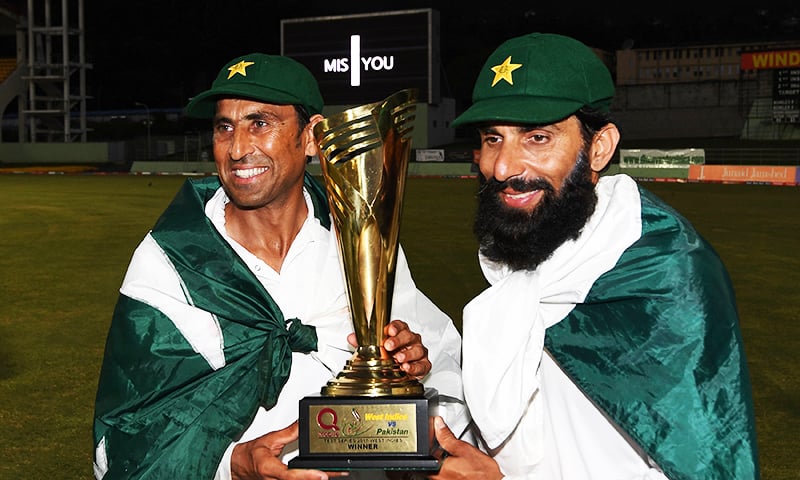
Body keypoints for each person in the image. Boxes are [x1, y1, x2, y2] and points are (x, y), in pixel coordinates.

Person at [92, 53, 469, 480]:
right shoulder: (170, 260)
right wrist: (230, 464)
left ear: (311, 138)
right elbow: (124, 432)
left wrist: (416, 368)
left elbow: (446, 373)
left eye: (260, 123)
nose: (237, 149)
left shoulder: (362, 241)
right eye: (224, 127)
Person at [429, 33, 759, 480]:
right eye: (493, 139)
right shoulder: (524, 256)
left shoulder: (666, 276)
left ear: (599, 147)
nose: (504, 167)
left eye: (538, 137)